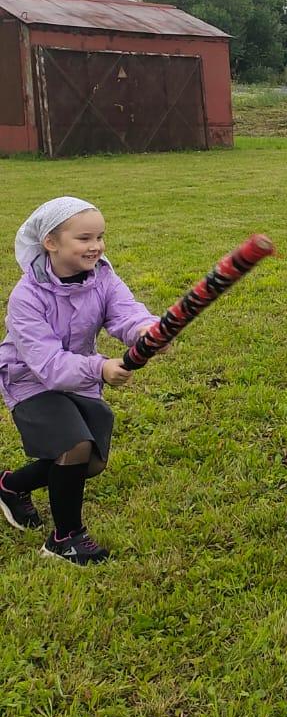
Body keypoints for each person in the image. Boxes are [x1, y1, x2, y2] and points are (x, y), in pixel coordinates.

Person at [0, 198, 157, 563]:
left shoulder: (102, 277)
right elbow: (48, 364)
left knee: (92, 461)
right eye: (84, 238)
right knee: (74, 446)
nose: (96, 246)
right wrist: (100, 368)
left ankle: (11, 486)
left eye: (100, 237)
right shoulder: (26, 297)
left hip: (77, 379)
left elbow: (126, 313)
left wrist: (146, 330)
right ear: (50, 243)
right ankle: (65, 538)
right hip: (30, 382)